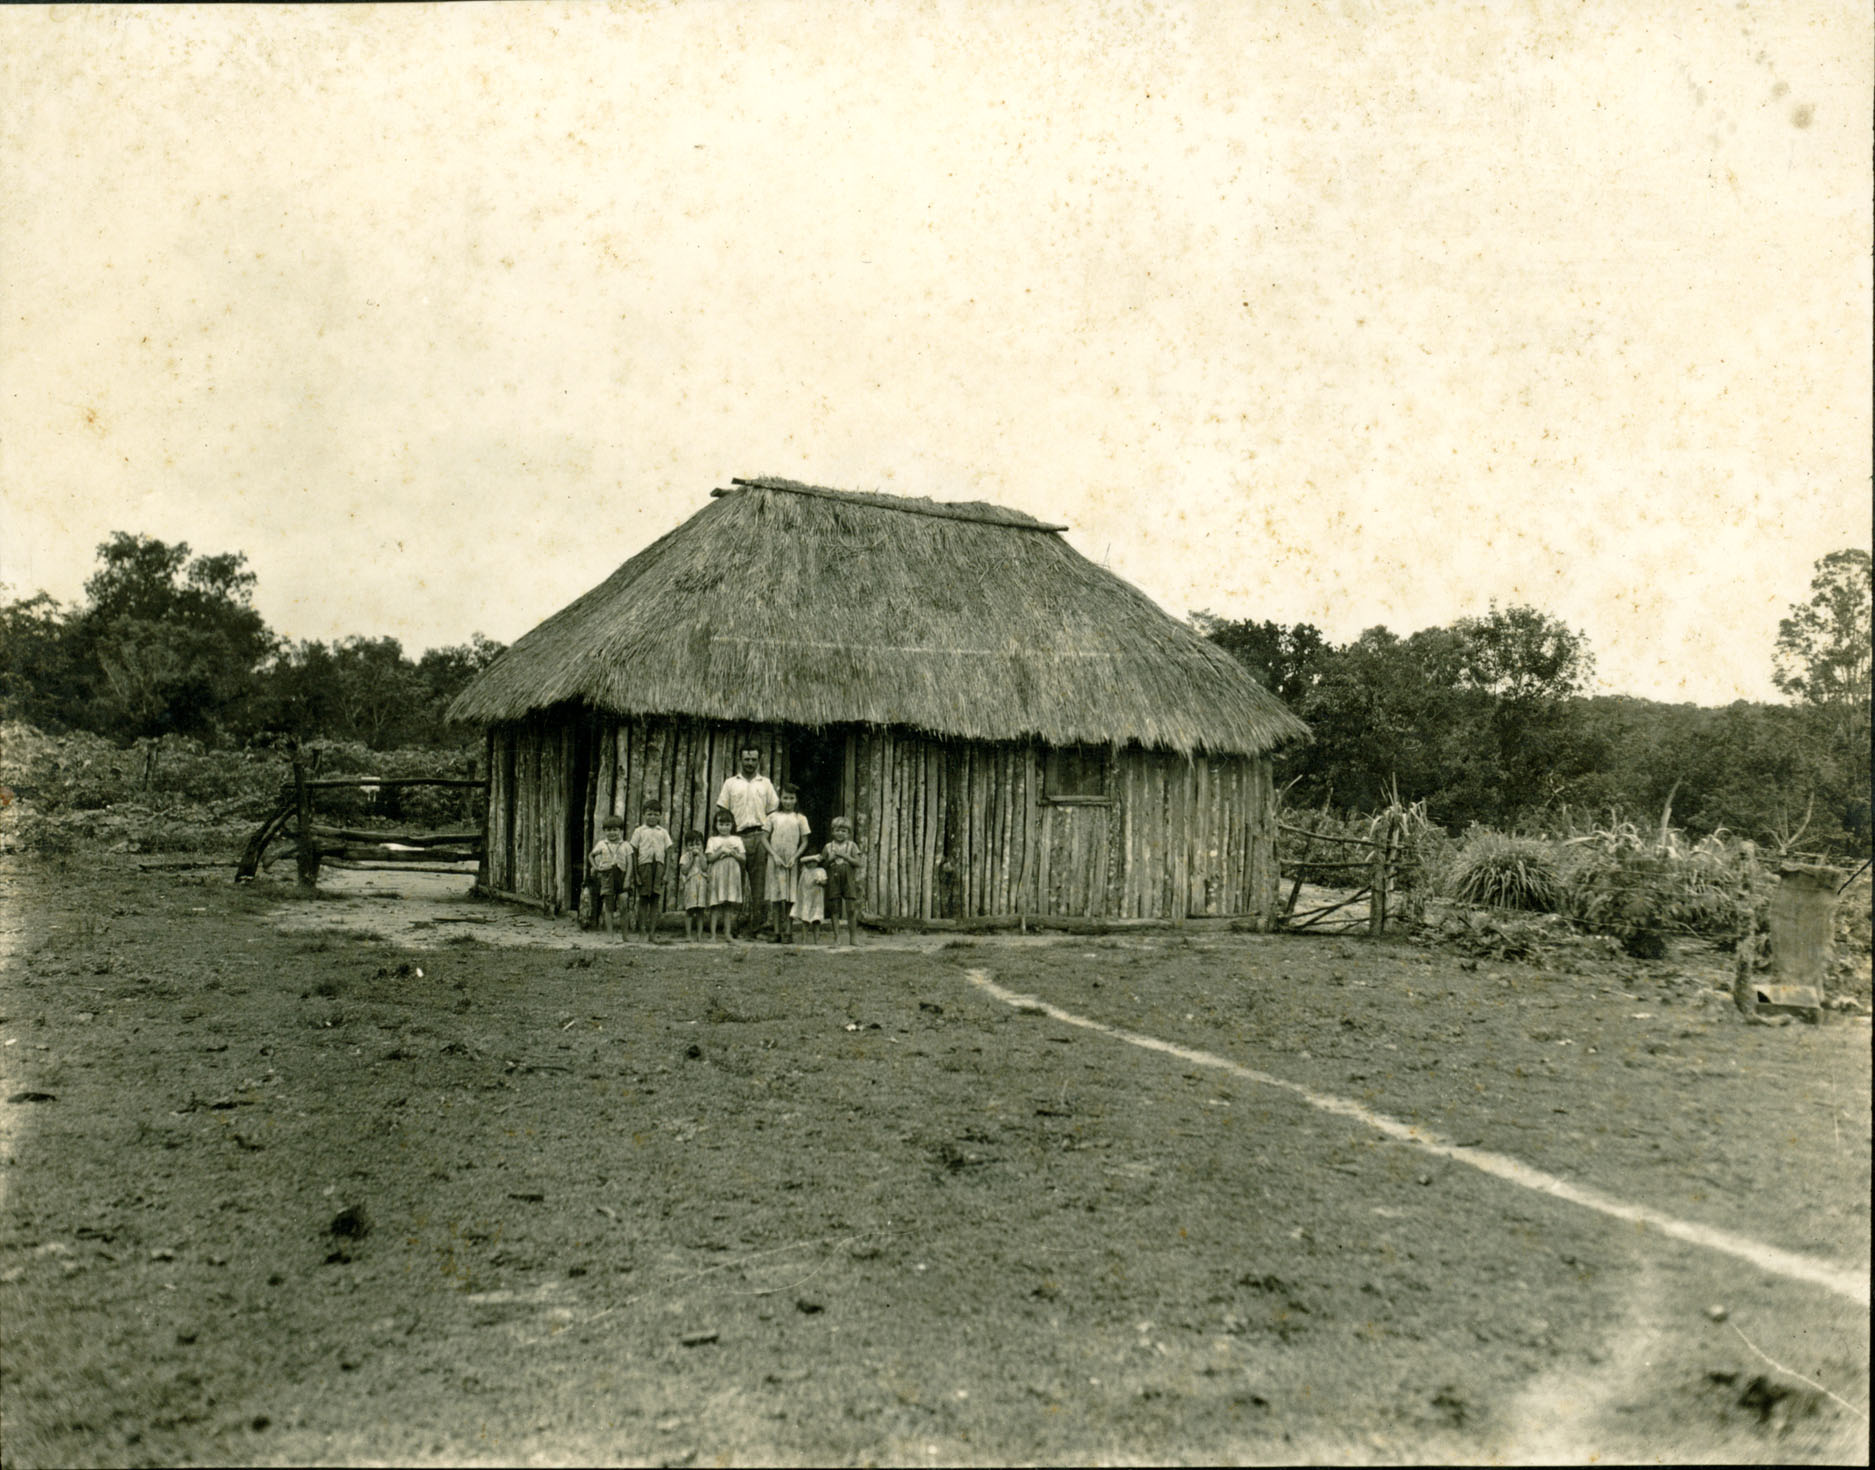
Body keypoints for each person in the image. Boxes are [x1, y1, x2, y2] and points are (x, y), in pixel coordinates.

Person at [715, 746, 778, 938]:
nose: (750, 763)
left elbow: (773, 812)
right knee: (735, 883)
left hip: (759, 836)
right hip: (737, 838)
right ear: (740, 760)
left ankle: (755, 928)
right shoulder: (730, 784)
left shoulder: (765, 784)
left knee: (758, 885)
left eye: (753, 759)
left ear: (759, 760)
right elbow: (722, 811)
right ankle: (733, 927)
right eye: (746, 759)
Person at [764, 785, 811, 943]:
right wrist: (774, 855)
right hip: (776, 860)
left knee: (790, 897)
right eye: (785, 798)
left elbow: (805, 841)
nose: (788, 801)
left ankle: (788, 932)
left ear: (796, 799)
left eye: (791, 798)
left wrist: (795, 857)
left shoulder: (800, 818)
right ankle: (777, 932)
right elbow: (764, 838)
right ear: (780, 798)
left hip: (791, 861)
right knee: (776, 897)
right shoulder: (772, 817)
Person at [629, 801, 674, 943]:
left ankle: (652, 933)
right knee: (643, 899)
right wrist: (635, 874)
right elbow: (633, 852)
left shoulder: (663, 832)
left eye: (656, 814)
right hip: (644, 867)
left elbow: (669, 851)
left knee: (655, 899)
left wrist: (666, 873)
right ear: (643, 815)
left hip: (658, 868)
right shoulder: (639, 831)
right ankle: (642, 930)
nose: (652, 817)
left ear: (660, 816)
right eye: (649, 814)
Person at [585, 814, 634, 937]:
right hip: (607, 877)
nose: (612, 833)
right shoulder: (602, 844)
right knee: (609, 907)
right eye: (608, 830)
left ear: (620, 830)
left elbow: (630, 864)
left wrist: (627, 879)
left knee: (623, 904)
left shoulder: (626, 845)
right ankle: (610, 936)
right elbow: (591, 855)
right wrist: (596, 867)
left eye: (615, 830)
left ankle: (625, 936)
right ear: (604, 831)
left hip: (622, 877)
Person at [704, 809, 747, 943]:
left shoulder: (737, 839)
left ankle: (727, 934)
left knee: (728, 904)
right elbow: (710, 858)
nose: (724, 827)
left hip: (731, 873)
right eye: (721, 824)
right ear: (716, 825)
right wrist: (721, 851)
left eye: (727, 824)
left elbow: (743, 858)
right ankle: (713, 935)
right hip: (718, 872)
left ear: (732, 825)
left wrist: (734, 854)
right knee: (715, 904)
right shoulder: (713, 840)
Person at [822, 815, 864, 947]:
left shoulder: (852, 846)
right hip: (833, 879)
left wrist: (846, 856)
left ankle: (853, 938)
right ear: (832, 831)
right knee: (834, 908)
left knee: (851, 908)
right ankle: (836, 938)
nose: (840, 833)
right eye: (837, 830)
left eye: (844, 831)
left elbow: (858, 862)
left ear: (849, 833)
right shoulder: (828, 847)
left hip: (848, 879)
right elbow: (823, 865)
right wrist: (830, 859)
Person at [677, 828, 710, 942]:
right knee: (690, 910)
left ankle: (699, 935)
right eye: (691, 845)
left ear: (702, 845)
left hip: (701, 883)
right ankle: (688, 935)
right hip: (691, 884)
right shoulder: (685, 857)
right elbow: (684, 870)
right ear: (686, 846)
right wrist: (691, 860)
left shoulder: (703, 856)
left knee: (700, 910)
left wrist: (700, 856)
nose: (694, 847)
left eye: (698, 844)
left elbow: (705, 868)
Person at [793, 851, 827, 944]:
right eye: (808, 862)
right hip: (806, 898)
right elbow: (801, 885)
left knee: (816, 920)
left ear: (817, 862)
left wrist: (819, 882)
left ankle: (817, 940)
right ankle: (804, 939)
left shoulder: (820, 871)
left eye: (813, 862)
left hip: (816, 899)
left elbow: (824, 882)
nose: (811, 864)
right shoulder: (805, 871)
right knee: (805, 920)